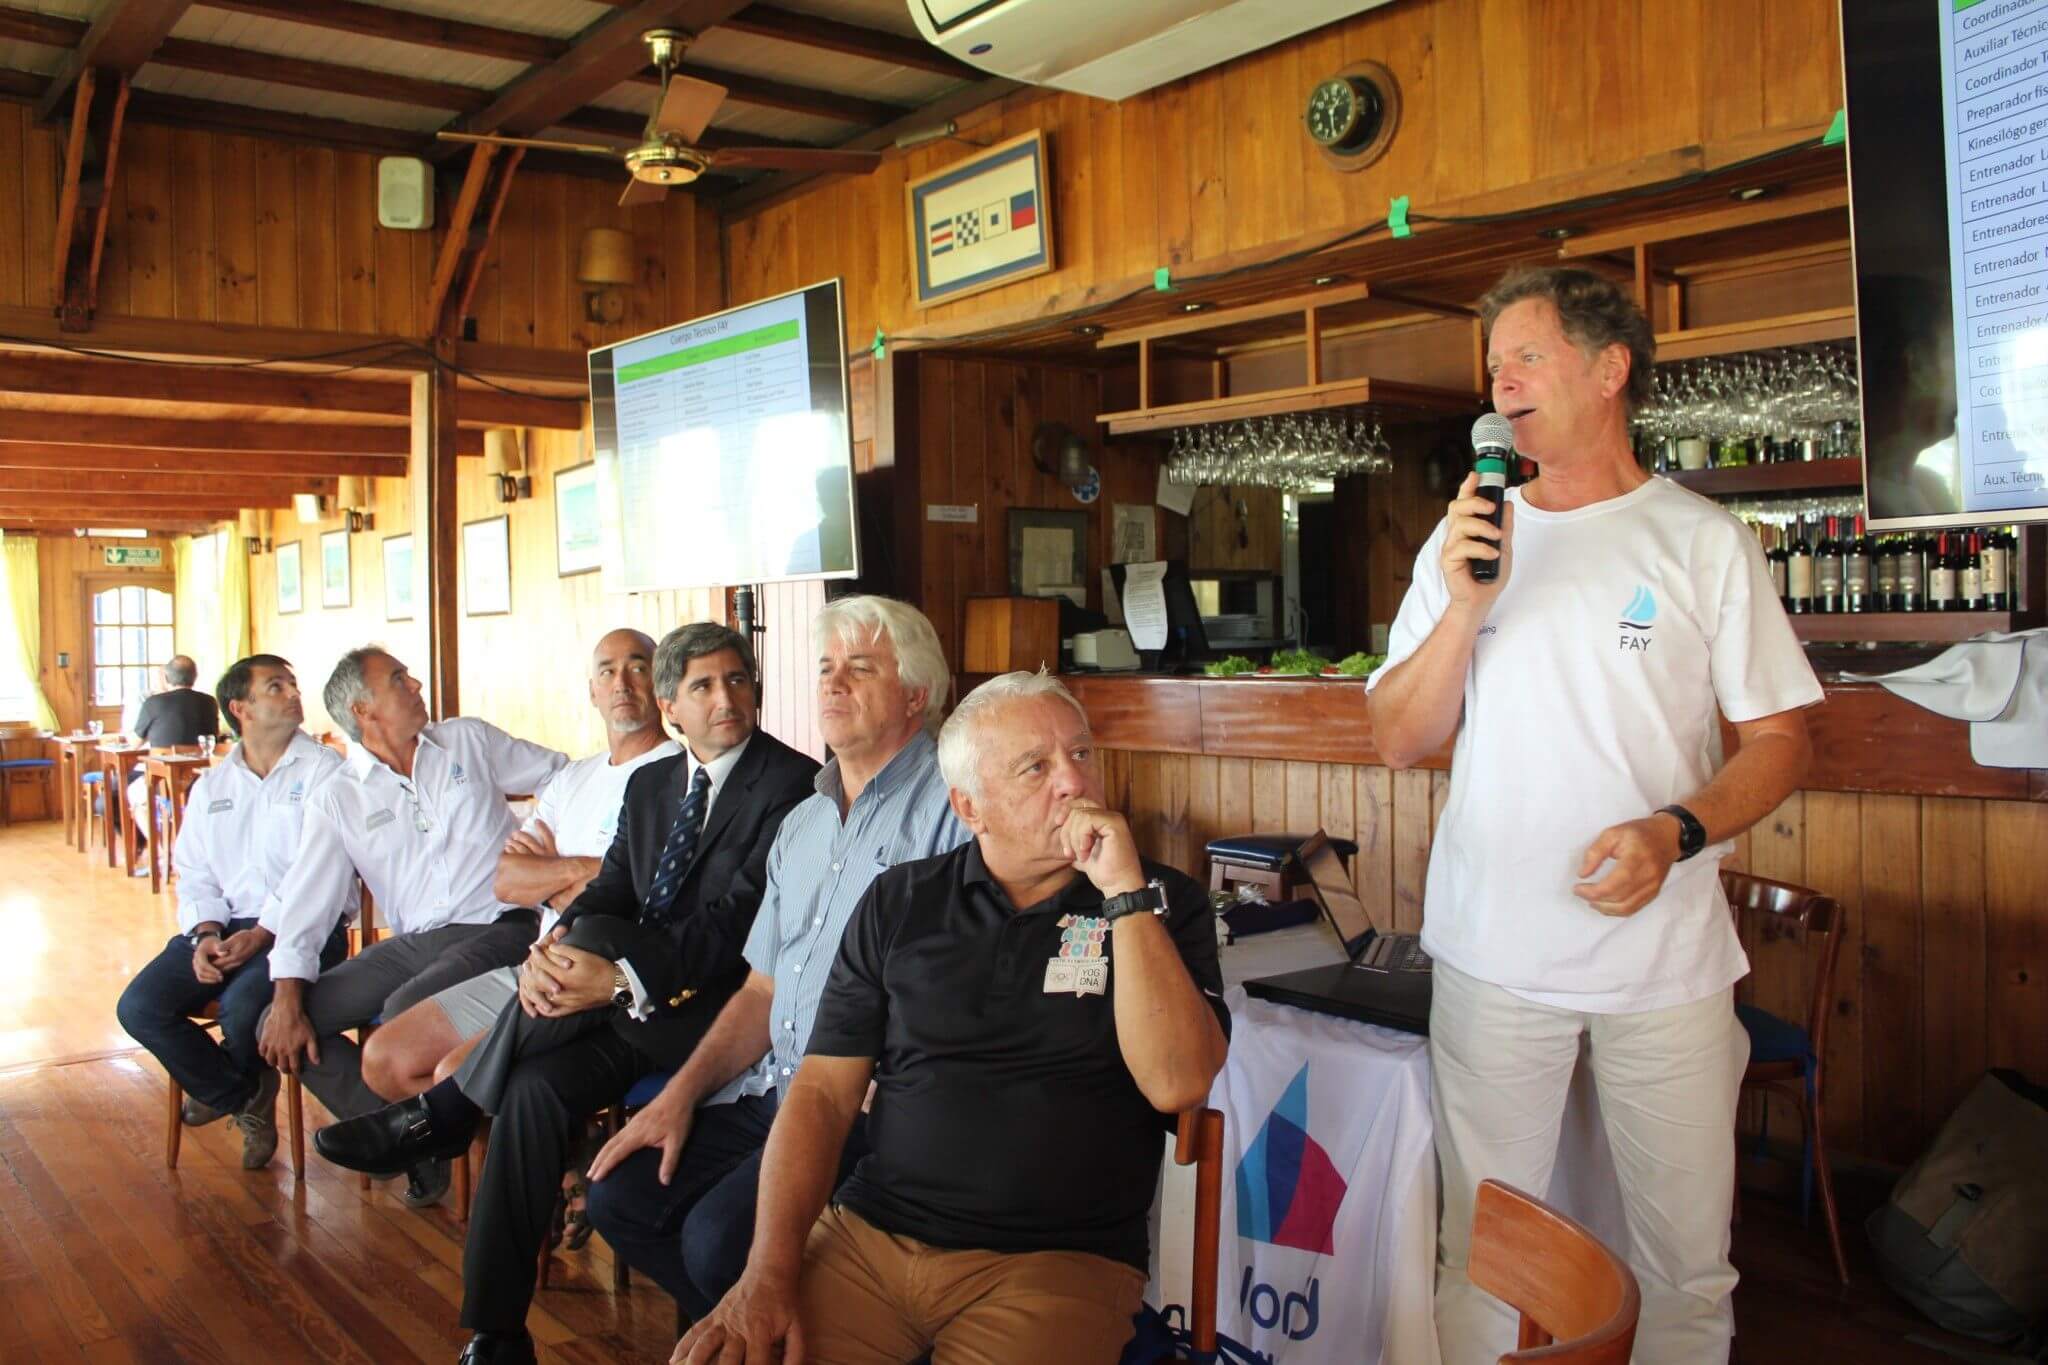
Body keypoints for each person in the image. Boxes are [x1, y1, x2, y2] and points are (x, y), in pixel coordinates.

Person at [1365, 264, 1820, 1365]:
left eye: (1523, 358)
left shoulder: (1702, 541)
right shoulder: (1463, 537)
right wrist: (1466, 604)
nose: (1498, 382)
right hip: (1491, 955)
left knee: (1682, 1267)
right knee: (1484, 1252)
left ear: (1608, 369)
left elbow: (1779, 744)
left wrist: (1675, 833)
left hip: (1662, 966)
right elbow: (1395, 735)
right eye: (1491, 367)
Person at [677, 670, 1229, 1365]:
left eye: (1082, 754)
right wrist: (766, 1271)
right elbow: (821, 1093)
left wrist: (1122, 893)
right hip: (870, 1240)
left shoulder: (1161, 901)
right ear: (970, 806)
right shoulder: (901, 901)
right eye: (1037, 766)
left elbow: (1178, 1085)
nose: (1073, 781)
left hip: (1053, 1266)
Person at [312, 623, 820, 1365]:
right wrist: (553, 954)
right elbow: (610, 887)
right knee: (531, 1087)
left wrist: (611, 973)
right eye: (705, 686)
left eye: (738, 679)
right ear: (671, 703)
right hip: (616, 1007)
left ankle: (446, 1112)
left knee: (582, 972)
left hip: (713, 1015)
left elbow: (732, 927)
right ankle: (498, 1331)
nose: (727, 698)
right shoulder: (653, 783)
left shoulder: (790, 784)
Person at [584, 594, 969, 1334]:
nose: (832, 684)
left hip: (866, 1109)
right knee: (621, 1195)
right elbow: (762, 989)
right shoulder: (806, 819)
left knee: (715, 1238)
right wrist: (681, 1096)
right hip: (772, 1089)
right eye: (825, 667)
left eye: (859, 668)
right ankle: (774, 1340)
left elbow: (961, 994)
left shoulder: (952, 810)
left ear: (916, 694)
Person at [255, 646, 568, 1206]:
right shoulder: (339, 797)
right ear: (364, 710)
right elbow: (308, 900)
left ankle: (437, 1131)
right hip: (419, 941)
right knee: (285, 1025)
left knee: (406, 1012)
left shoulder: (467, 742)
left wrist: (543, 843)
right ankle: (411, 1135)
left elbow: (564, 777)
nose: (417, 684)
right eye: (399, 680)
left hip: (502, 923)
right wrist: (285, 996)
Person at [356, 628, 679, 1102]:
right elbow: (506, 879)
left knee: (454, 1075)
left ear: (660, 685)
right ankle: (537, 1157)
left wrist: (549, 875)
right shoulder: (573, 778)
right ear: (592, 690)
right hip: (532, 964)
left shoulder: (679, 773)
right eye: (607, 671)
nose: (622, 684)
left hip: (594, 983)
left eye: (637, 667)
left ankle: (531, 1164)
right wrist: (594, 873)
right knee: (385, 1059)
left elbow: (647, 892)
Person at [114, 655, 351, 1168]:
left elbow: (319, 870)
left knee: (246, 1010)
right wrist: (204, 934)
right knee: (139, 1007)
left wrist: (263, 934)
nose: (292, 693)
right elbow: (194, 868)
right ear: (240, 708)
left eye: (292, 683)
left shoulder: (325, 771)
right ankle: (243, 1096)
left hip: (305, 926)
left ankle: (222, 1087)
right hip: (226, 926)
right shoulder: (213, 786)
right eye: (275, 686)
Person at [124, 655, 223, 868]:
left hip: (163, 783)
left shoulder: (153, 703)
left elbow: (134, 742)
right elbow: (213, 737)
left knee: (135, 795)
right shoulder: (209, 702)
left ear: (166, 677)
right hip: (200, 780)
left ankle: (163, 851)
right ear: (194, 677)